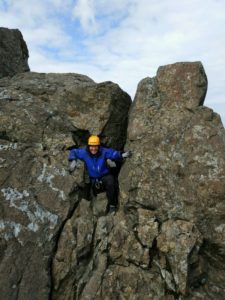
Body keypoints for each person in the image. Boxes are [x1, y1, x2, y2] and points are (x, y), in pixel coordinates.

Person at [68, 135, 131, 214]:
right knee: (95, 190)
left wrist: (122, 155)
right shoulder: (84, 153)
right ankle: (95, 197)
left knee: (111, 181)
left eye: (95, 146)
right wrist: (73, 160)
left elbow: (113, 153)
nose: (93, 149)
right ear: (88, 146)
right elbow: (73, 151)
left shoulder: (103, 151)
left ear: (98, 146)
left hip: (105, 176)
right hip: (94, 180)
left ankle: (112, 205)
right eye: (91, 146)